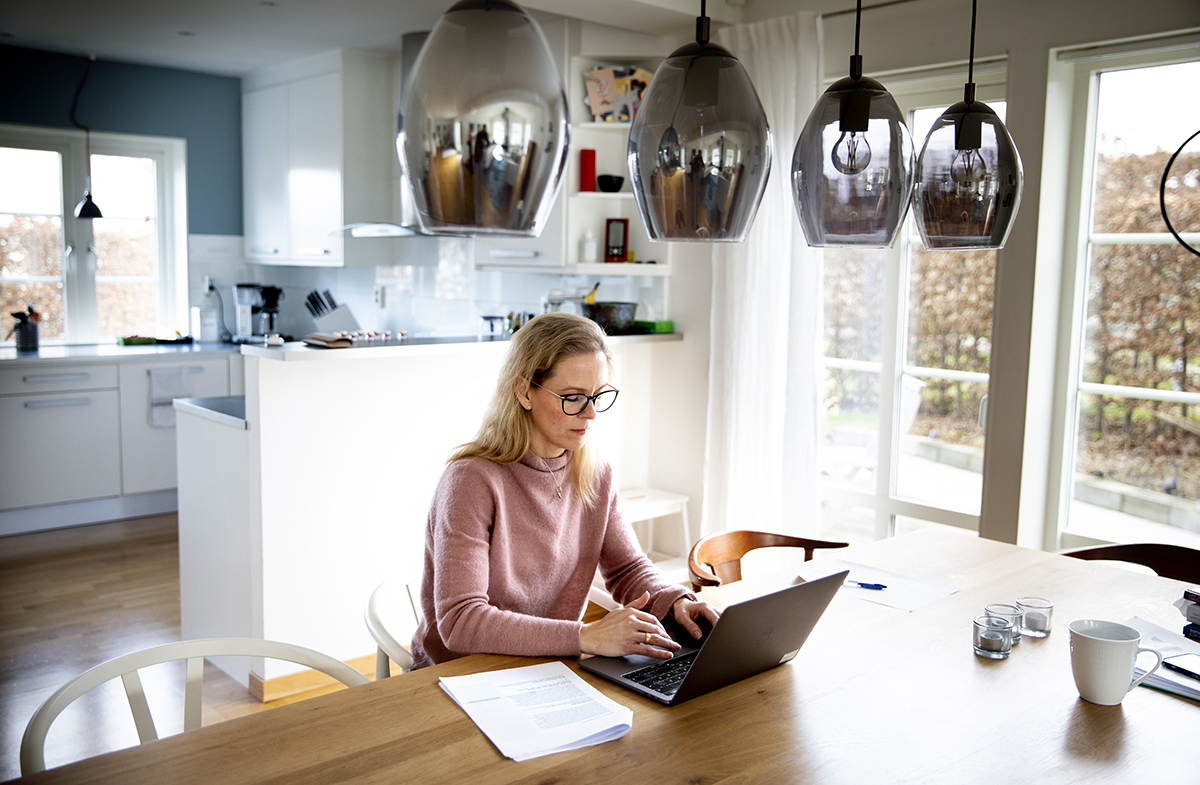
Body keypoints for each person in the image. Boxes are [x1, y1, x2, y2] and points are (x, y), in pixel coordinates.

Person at [410, 311, 719, 669]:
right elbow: (460, 621)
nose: (590, 415)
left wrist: (676, 601)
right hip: (462, 677)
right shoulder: (471, 481)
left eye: (598, 395)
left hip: (549, 668)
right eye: (573, 398)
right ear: (524, 391)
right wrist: (583, 637)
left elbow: (628, 569)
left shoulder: (595, 473)